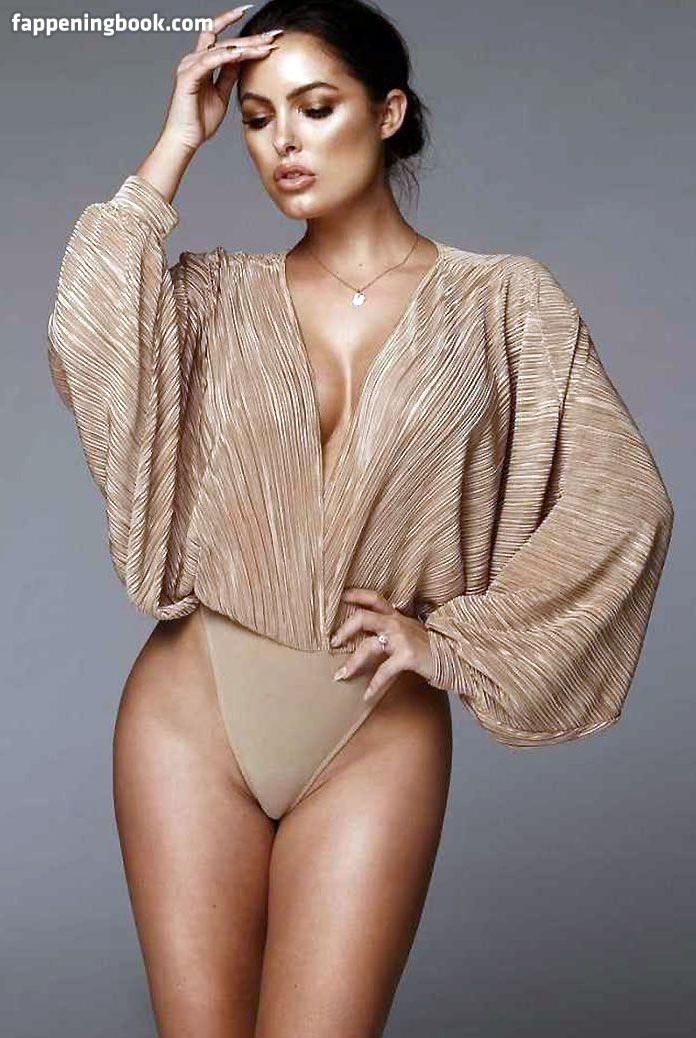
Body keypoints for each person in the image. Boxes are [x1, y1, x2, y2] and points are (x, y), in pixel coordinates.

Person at [45, 1, 674, 1034]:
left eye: (315, 107)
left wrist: (455, 642)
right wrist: (176, 141)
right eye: (257, 119)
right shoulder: (210, 297)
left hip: (375, 727)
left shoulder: (502, 304)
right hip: (191, 712)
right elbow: (88, 330)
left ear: (387, 113)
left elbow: (621, 500)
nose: (283, 143)